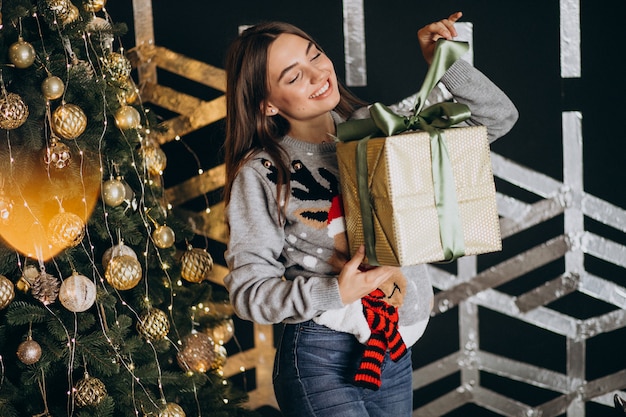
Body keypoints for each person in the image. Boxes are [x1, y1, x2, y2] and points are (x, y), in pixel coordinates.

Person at [223, 11, 518, 417]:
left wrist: (444, 62)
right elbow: (247, 292)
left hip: (393, 352)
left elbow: (496, 118)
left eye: (315, 55)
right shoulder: (262, 172)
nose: (316, 74)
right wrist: (336, 293)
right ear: (268, 104)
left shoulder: (381, 128)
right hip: (320, 356)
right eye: (293, 76)